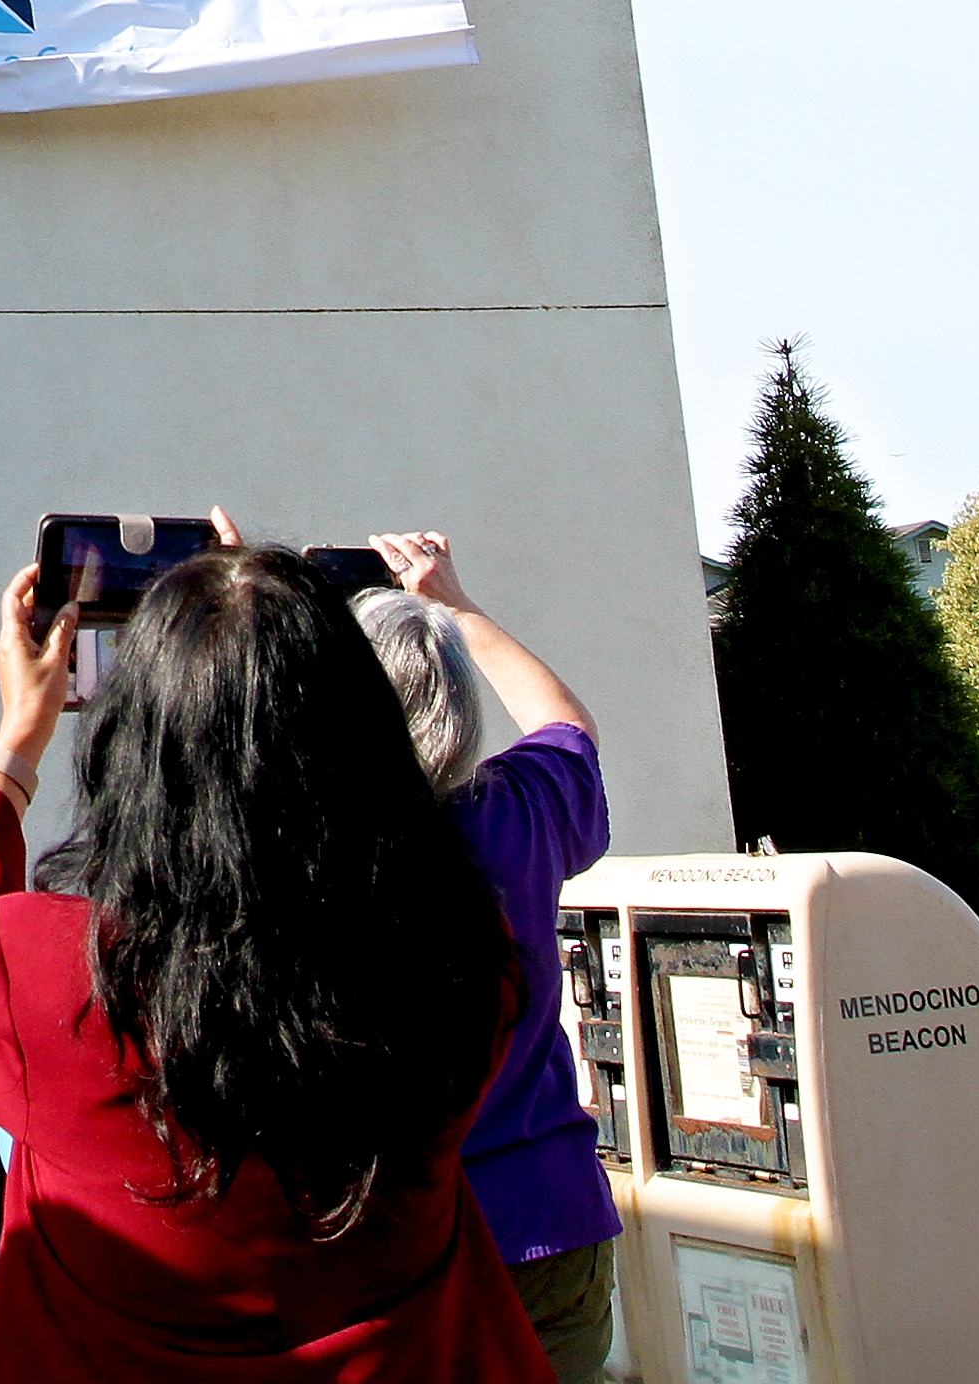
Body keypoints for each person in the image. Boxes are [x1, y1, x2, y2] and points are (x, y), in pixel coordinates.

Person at [0, 538, 553, 1383]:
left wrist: (14, 749)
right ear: (368, 736)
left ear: (136, 755)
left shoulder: (40, 976)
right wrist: (267, 617)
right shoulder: (463, 963)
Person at [355, 534, 619, 1384]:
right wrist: (456, 605)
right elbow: (565, 726)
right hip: (546, 1217)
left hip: (379, 1240)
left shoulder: (301, 845)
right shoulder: (518, 813)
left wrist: (241, 611)